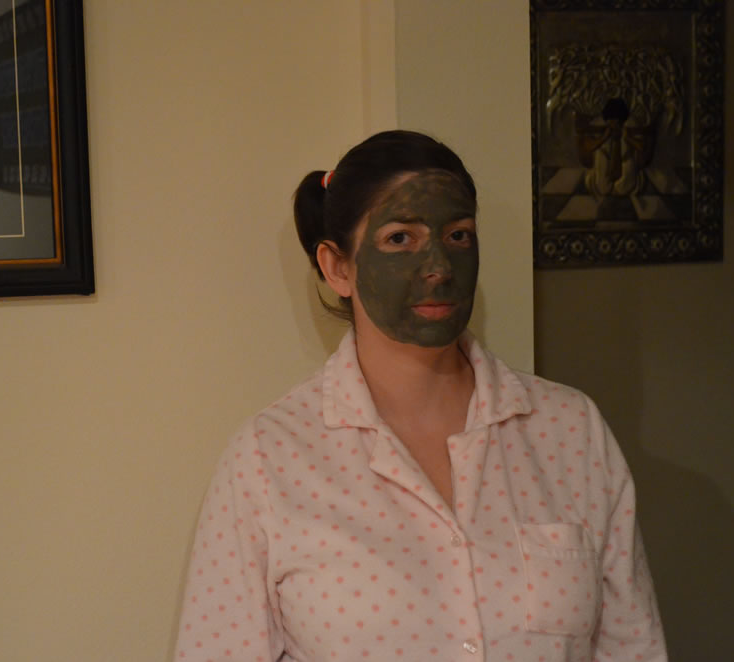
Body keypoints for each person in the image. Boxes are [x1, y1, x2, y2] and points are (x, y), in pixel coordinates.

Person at [173, 130, 666, 662]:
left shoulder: (570, 429)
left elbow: (633, 647)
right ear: (338, 267)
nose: (439, 266)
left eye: (457, 235)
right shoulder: (269, 459)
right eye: (400, 239)